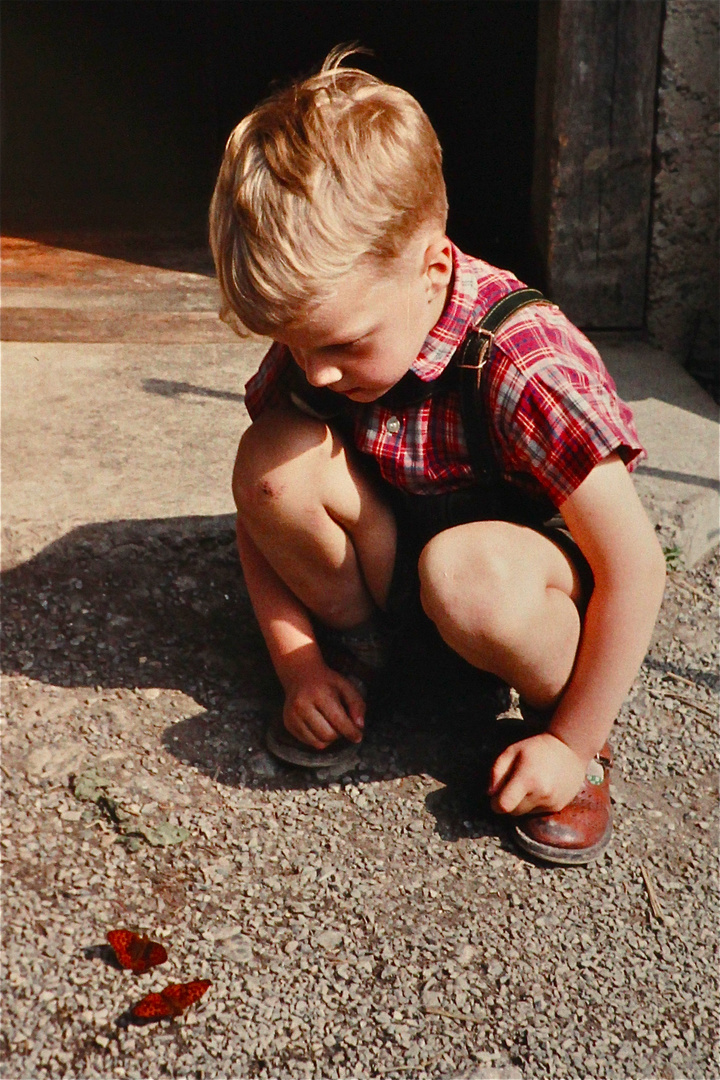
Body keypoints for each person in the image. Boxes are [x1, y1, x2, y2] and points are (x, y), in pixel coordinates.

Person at [209, 48, 666, 865]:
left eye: (342, 344)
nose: (315, 370)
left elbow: (635, 566)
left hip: (515, 588)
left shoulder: (524, 362)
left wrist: (573, 739)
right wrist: (298, 660)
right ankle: (364, 656)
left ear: (433, 270)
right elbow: (257, 510)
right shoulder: (324, 351)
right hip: (400, 573)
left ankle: (563, 726)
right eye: (293, 342)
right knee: (273, 457)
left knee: (470, 574)